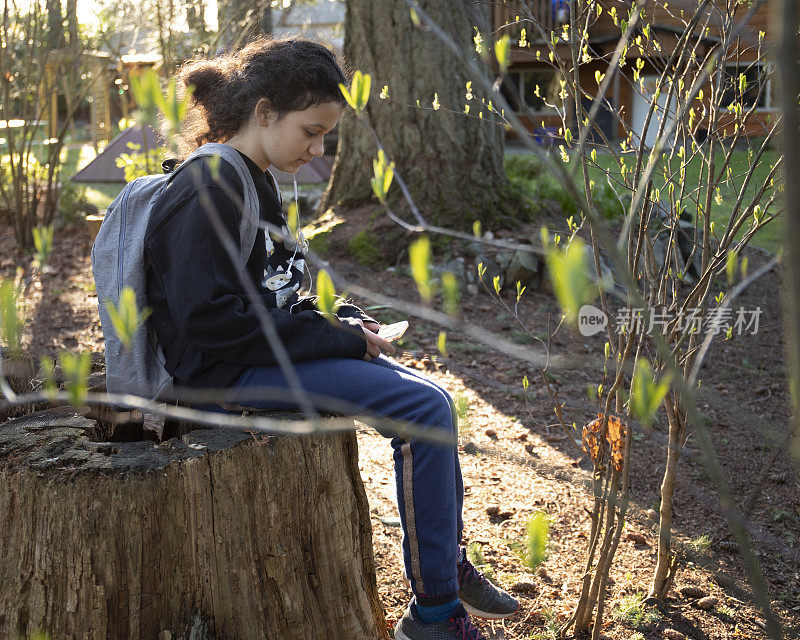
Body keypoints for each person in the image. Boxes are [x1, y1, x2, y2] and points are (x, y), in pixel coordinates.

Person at [144, 36, 519, 640]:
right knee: (422, 406)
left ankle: (443, 566)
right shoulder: (211, 186)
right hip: (216, 376)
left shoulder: (248, 175)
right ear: (264, 112)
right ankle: (435, 613)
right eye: (311, 132)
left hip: (252, 358)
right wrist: (335, 339)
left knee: (433, 402)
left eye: (326, 138)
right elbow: (207, 321)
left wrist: (342, 316)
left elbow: (276, 284)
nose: (319, 151)